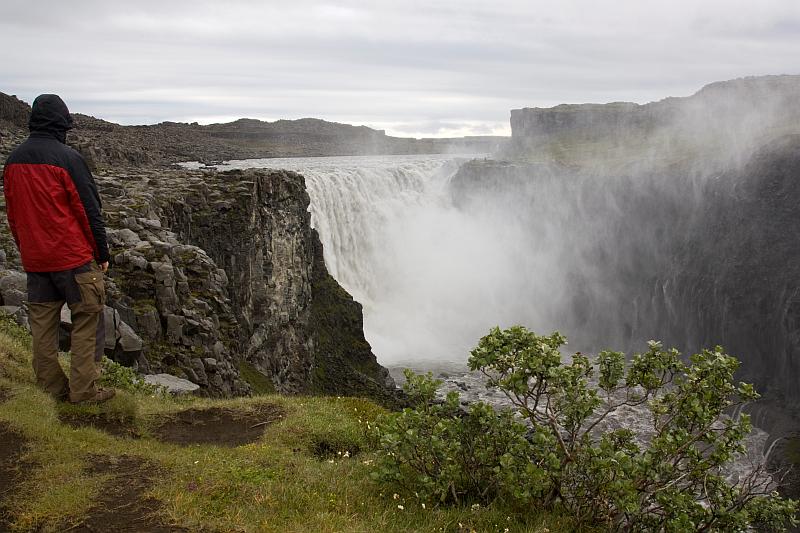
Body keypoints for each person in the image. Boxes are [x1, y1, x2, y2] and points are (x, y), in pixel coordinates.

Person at [2, 94, 115, 403]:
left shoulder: (13, 161)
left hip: (36, 261)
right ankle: (84, 391)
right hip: (73, 259)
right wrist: (102, 254)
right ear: (62, 124)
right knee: (87, 320)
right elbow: (88, 210)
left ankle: (52, 389)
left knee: (42, 329)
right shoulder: (68, 159)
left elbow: (13, 213)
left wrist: (26, 247)